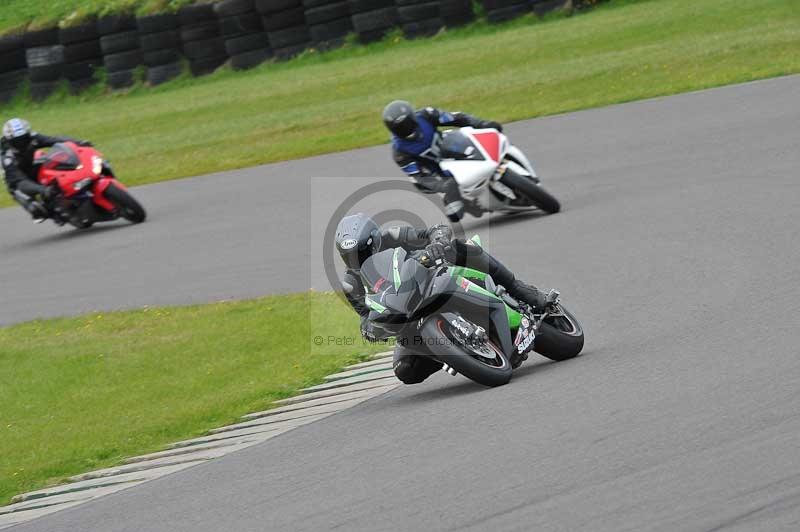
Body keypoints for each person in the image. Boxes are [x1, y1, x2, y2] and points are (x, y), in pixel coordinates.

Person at [335, 213, 555, 384]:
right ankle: (453, 352)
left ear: (373, 240)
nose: (356, 259)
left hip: (432, 278)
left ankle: (522, 290)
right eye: (349, 256)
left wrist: (436, 244)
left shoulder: (392, 236)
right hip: (406, 316)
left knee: (462, 247)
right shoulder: (351, 284)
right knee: (405, 370)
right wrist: (370, 329)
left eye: (361, 252)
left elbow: (436, 230)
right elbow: (365, 316)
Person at [382, 100, 503, 222]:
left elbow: (456, 118)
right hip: (439, 173)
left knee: (482, 137)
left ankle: (500, 157)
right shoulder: (399, 152)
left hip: (451, 148)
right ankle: (468, 203)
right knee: (455, 214)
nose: (406, 129)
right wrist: (443, 185)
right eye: (400, 128)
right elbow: (418, 177)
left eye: (407, 124)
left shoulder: (426, 115)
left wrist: (481, 123)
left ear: (412, 117)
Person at [2, 118, 91, 221]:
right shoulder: (7, 157)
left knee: (53, 162)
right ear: (10, 140)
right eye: (18, 141)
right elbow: (21, 181)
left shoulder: (33, 137)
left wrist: (78, 142)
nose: (22, 142)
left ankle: (71, 187)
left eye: (24, 138)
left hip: (32, 164)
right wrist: (42, 189)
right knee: (36, 209)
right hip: (17, 179)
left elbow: (54, 140)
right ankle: (46, 210)